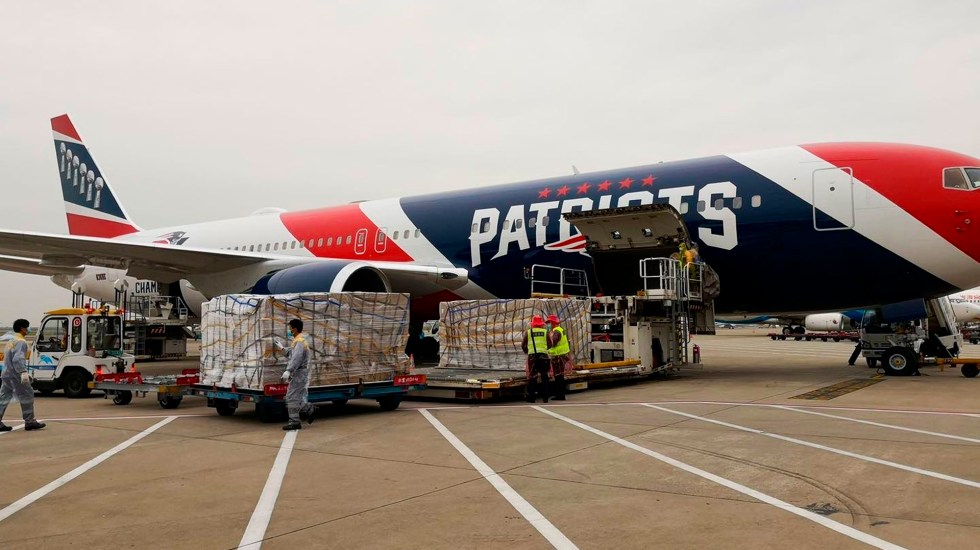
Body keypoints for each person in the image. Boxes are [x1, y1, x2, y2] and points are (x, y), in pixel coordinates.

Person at [0, 319, 46, 432]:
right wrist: (23, 373)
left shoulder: (12, 340)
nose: (29, 329)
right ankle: (30, 421)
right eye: (27, 327)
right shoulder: (21, 342)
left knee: (3, 398)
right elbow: (18, 359)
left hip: (6, 374)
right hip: (15, 375)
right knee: (27, 395)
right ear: (22, 328)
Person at [276, 318, 316, 430]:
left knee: (291, 397)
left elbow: (296, 358)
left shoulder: (300, 342)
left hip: (299, 373)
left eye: (290, 328)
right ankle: (308, 410)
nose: (289, 331)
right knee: (294, 397)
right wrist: (282, 348)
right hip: (299, 373)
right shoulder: (298, 341)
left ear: (294, 329)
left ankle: (295, 421)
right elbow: (291, 354)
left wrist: (289, 370)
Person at [521, 315, 551, 403]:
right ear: (541, 324)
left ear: (533, 324)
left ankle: (531, 398)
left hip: (532, 357)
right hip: (543, 356)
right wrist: (544, 349)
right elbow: (550, 344)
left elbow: (523, 345)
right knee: (544, 377)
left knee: (532, 377)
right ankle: (545, 398)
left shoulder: (529, 332)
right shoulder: (545, 332)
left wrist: (528, 351)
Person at [546, 314, 572, 401]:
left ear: (553, 323)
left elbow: (553, 343)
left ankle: (560, 395)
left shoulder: (556, 331)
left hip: (558, 356)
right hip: (562, 355)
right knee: (560, 376)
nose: (548, 324)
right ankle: (560, 394)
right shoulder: (560, 329)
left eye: (549, 322)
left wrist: (546, 347)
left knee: (558, 376)